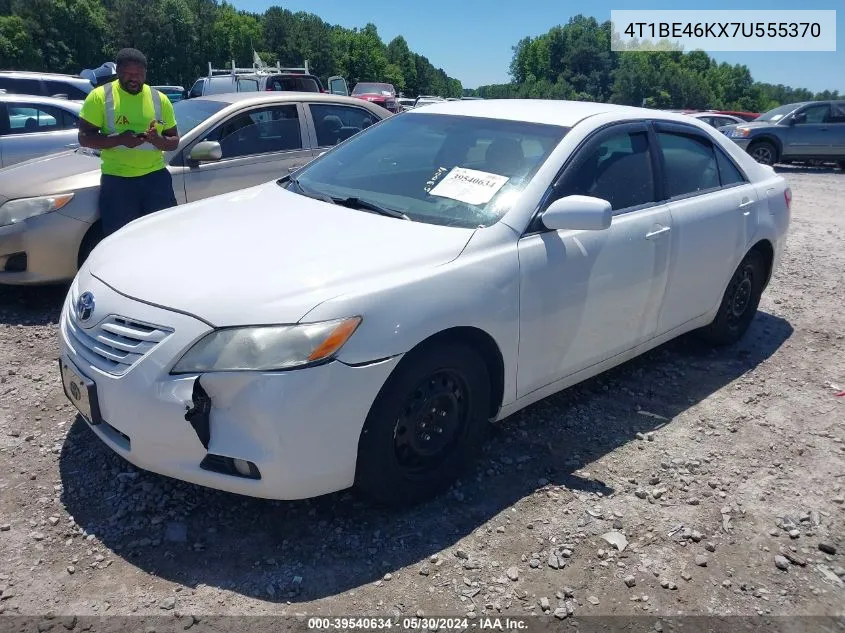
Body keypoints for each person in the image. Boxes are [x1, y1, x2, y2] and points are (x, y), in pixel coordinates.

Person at [78, 48, 180, 237]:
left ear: (145, 73)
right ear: (118, 72)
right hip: (118, 182)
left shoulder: (160, 99)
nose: (134, 79)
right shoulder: (100, 96)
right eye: (128, 74)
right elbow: (84, 137)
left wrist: (157, 140)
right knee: (120, 239)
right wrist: (120, 139)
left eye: (138, 74)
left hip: (156, 179)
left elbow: (174, 141)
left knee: (163, 235)